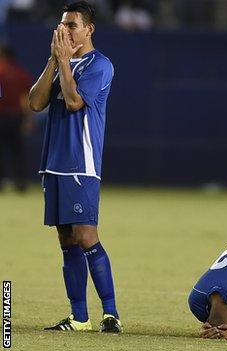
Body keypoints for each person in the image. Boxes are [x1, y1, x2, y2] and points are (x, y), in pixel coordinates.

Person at [28, 1, 120, 333]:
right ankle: (79, 317)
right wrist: (54, 61)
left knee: (86, 236)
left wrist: (64, 63)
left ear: (88, 29)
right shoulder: (61, 62)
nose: (64, 30)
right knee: (66, 239)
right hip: (53, 164)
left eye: (71, 25)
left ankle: (111, 314)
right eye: (62, 24)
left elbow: (73, 101)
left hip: (80, 164)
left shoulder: (100, 66)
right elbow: (36, 102)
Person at [0, 43, 32, 193]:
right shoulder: (21, 72)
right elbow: (25, 99)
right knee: (18, 151)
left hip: (1, 117)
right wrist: (28, 120)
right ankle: (21, 183)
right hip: (16, 117)